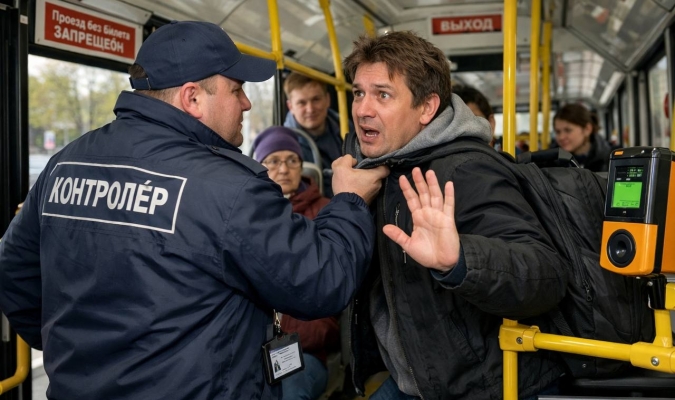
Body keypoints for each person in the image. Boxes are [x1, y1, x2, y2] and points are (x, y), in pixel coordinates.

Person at [0, 21, 390, 400]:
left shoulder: (66, 162)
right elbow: (321, 282)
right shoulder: (229, 187)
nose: (246, 103)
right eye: (236, 89)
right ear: (193, 99)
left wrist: (77, 349)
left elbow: (14, 272)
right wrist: (349, 201)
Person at [342, 31, 568, 400]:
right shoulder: (373, 170)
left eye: (383, 95)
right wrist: (346, 203)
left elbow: (545, 274)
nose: (362, 109)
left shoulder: (466, 170)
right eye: (358, 93)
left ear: (426, 108)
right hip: (418, 379)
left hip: (485, 386)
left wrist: (460, 260)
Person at [253, 126, 338, 400]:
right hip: (251, 345)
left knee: (288, 391)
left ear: (302, 166)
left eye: (292, 160)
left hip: (305, 347)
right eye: (273, 161)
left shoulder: (326, 212)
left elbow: (330, 285)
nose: (284, 169)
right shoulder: (248, 214)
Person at [283, 72, 352, 197]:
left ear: (327, 100)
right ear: (290, 106)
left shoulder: (347, 127)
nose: (310, 109)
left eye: (316, 99)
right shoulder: (284, 146)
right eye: (302, 103)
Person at [553, 103, 611, 172]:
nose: (561, 137)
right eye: (558, 132)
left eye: (568, 130)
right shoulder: (552, 161)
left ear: (587, 129)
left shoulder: (609, 160)